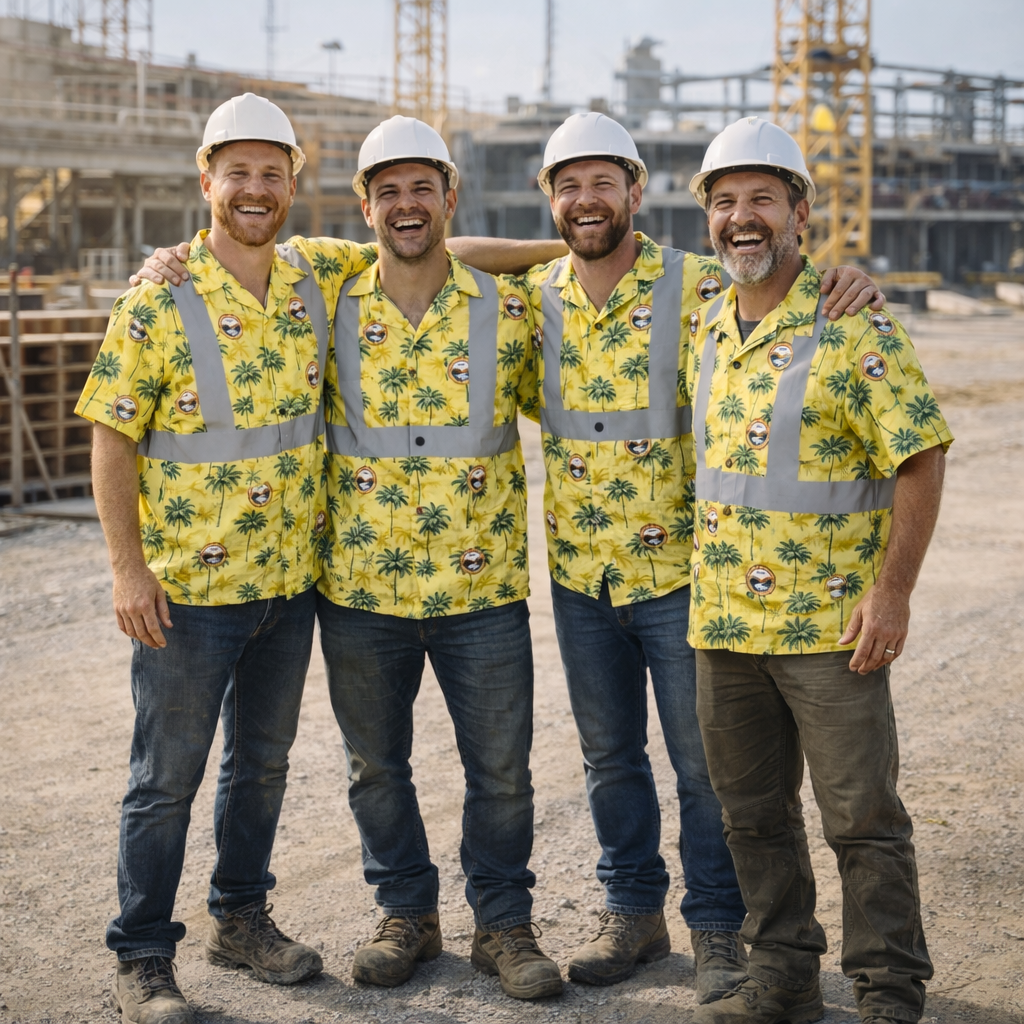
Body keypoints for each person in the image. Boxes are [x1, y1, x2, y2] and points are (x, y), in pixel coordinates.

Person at [133, 116, 566, 1002]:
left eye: (425, 190)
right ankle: (404, 913)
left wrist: (571, 237)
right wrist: (165, 261)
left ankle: (502, 926)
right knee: (369, 769)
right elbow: (114, 428)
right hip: (352, 588)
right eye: (388, 192)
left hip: (476, 586)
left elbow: (461, 253)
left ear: (450, 197)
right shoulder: (325, 288)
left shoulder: (502, 305)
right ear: (361, 207)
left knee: (502, 772)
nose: (406, 208)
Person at [456, 112, 884, 1003]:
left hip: (686, 574)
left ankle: (721, 931)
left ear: (637, 191)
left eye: (602, 184)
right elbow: (447, 250)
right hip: (582, 572)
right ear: (548, 199)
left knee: (704, 768)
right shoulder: (538, 293)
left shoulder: (697, 284)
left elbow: (783, 279)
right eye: (567, 186)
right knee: (611, 756)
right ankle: (635, 915)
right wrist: (560, 241)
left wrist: (849, 276)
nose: (586, 200)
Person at [76, 93, 376, 1024]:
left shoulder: (314, 277)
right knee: (164, 780)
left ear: (294, 185)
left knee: (263, 767)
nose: (255, 189)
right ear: (206, 181)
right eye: (237, 172)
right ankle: (142, 958)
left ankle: (240, 919)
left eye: (272, 174)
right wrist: (128, 571)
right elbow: (112, 439)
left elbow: (441, 252)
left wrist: (568, 255)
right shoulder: (157, 296)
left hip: (288, 585)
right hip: (189, 595)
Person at [684, 116, 951, 1024]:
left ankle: (887, 985)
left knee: (861, 820)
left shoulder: (853, 324)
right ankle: (783, 970)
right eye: (724, 203)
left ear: (801, 211)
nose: (741, 218)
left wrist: (895, 592)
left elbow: (919, 455)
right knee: (752, 817)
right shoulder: (706, 328)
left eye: (761, 198)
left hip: (831, 629)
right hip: (723, 625)